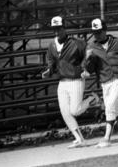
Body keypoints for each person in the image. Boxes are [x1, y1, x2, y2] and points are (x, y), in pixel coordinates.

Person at [42, 16, 99, 148]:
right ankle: (80, 140)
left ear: (64, 28)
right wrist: (48, 71)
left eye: (59, 29)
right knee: (65, 113)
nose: (57, 32)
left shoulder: (76, 43)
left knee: (75, 110)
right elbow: (51, 63)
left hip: (75, 80)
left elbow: (89, 55)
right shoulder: (51, 45)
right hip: (62, 82)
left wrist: (86, 68)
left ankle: (92, 99)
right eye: (54, 29)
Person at [82, 18, 118, 147]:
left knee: (110, 105)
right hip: (105, 81)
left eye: (99, 32)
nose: (97, 34)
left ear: (105, 30)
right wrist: (88, 59)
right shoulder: (91, 47)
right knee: (112, 108)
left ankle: (107, 138)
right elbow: (89, 68)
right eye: (95, 32)